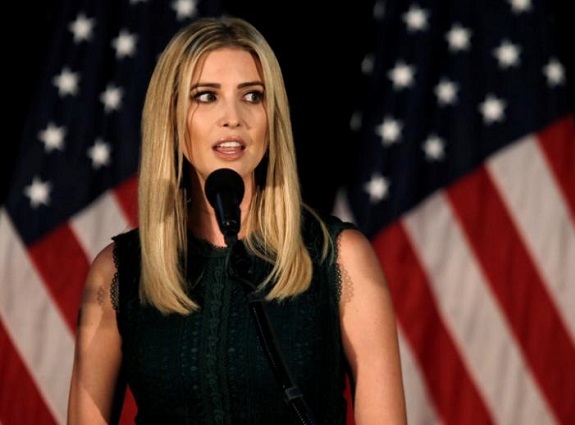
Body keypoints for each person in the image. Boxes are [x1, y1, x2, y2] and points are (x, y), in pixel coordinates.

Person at [67, 15, 407, 425]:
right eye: (206, 96)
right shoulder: (119, 273)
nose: (234, 117)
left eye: (252, 96)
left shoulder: (337, 259)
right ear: (172, 117)